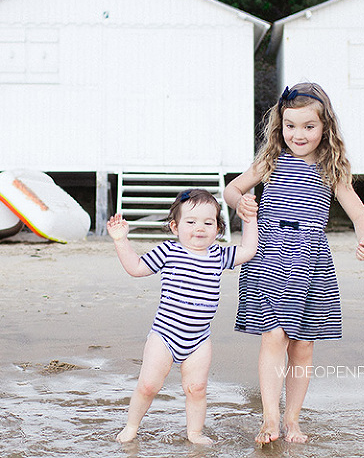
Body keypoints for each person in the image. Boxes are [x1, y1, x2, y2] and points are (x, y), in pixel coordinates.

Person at [224, 82, 364, 445]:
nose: (298, 134)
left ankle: (292, 420)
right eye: (290, 126)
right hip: (269, 255)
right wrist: (239, 202)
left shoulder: (331, 168)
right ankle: (270, 418)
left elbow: (358, 212)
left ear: (326, 127)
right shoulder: (270, 160)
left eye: (309, 126)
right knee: (273, 334)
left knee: (302, 345)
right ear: (281, 125)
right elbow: (233, 188)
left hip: (311, 262)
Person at [106, 188, 258, 445]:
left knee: (196, 389)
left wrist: (249, 218)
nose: (200, 228)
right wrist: (121, 240)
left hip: (198, 339)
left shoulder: (219, 256)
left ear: (218, 229)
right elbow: (136, 268)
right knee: (148, 386)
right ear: (175, 227)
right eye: (191, 222)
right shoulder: (168, 252)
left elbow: (248, 250)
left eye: (208, 223)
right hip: (164, 335)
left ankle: (195, 432)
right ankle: (131, 427)